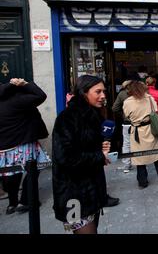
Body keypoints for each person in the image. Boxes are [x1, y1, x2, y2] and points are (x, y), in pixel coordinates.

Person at [52, 75, 111, 234]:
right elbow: (65, 157)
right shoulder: (67, 118)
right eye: (98, 91)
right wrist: (99, 156)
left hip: (92, 191)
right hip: (73, 193)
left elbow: (86, 146)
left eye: (104, 91)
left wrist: (101, 148)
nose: (103, 96)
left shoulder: (94, 115)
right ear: (84, 92)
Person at [0, 78, 50, 215]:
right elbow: (41, 95)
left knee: (11, 175)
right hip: (23, 144)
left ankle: (12, 204)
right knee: (33, 169)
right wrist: (25, 84)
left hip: (4, 148)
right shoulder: (18, 100)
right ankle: (26, 201)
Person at [123, 80, 158, 189]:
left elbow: (127, 116)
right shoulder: (149, 98)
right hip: (150, 129)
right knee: (156, 155)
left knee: (139, 158)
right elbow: (156, 110)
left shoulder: (128, 102)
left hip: (137, 131)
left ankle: (142, 182)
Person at [112, 80, 133, 173]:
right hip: (140, 122)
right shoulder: (139, 93)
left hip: (127, 122)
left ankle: (127, 164)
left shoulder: (122, 94)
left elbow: (114, 108)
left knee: (127, 143)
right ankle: (140, 163)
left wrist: (123, 114)